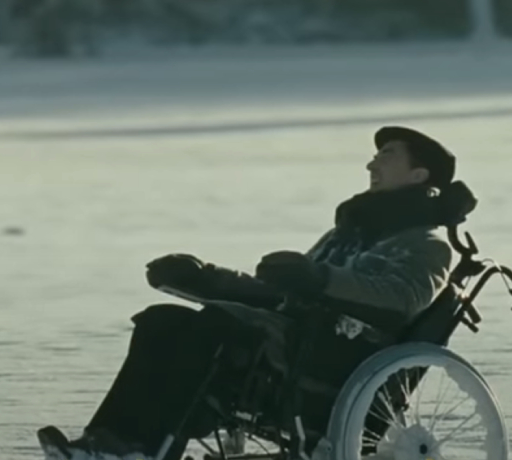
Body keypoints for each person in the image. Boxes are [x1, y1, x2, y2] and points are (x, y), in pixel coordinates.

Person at [38, 126, 471, 460]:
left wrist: (318, 279)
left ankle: (144, 449)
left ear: (419, 174)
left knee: (217, 326)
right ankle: (107, 442)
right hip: (293, 339)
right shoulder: (348, 234)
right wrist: (206, 279)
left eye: (385, 155)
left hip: (335, 360)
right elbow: (279, 295)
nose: (371, 164)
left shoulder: (427, 243)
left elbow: (398, 299)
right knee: (162, 321)